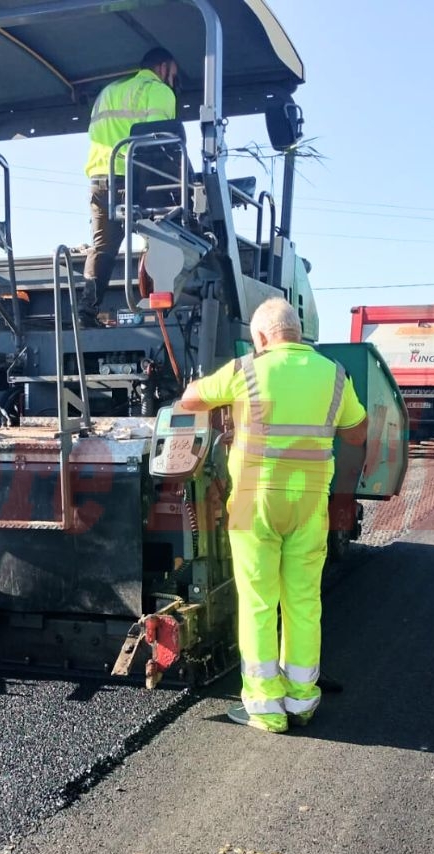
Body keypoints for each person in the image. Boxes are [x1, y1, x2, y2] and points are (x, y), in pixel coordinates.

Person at [177, 298, 368, 733]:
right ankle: (302, 701)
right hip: (308, 504)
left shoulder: (246, 370)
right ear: (298, 334)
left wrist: (227, 404)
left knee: (260, 603)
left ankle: (265, 707)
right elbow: (357, 431)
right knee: (303, 602)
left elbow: (189, 400)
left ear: (261, 337)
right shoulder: (334, 374)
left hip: (255, 504)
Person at [80, 47, 179, 318]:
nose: (174, 79)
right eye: (174, 73)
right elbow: (158, 143)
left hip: (100, 179)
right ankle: (163, 308)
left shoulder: (108, 92)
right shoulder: (158, 91)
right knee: (166, 236)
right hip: (135, 179)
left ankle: (86, 311)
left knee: (102, 247)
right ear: (163, 67)